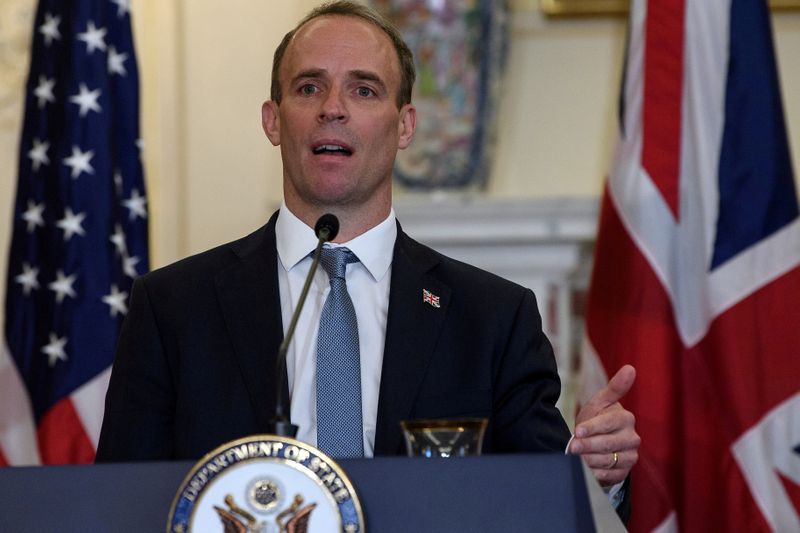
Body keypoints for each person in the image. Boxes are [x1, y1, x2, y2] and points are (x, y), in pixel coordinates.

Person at [96, 0, 639, 516]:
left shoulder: (492, 318)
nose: (333, 108)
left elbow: (536, 498)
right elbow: (122, 503)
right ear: (273, 120)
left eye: (364, 89)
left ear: (405, 126)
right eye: (309, 87)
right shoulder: (172, 309)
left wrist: (591, 473)